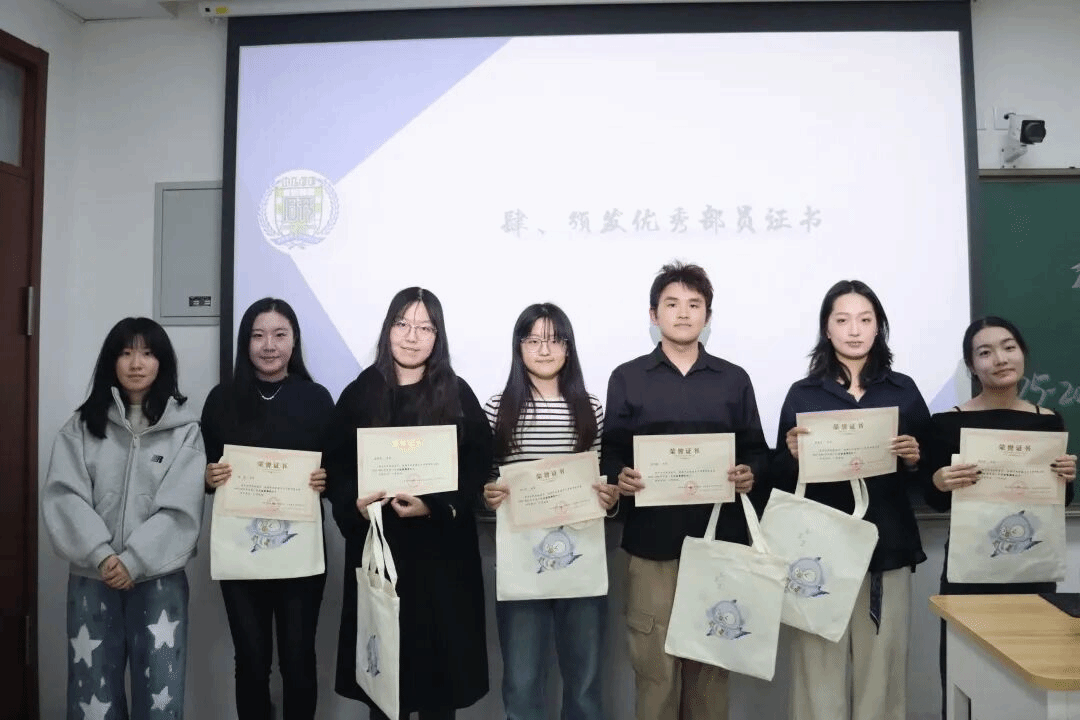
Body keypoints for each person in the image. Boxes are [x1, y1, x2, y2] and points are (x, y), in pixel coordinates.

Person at [600, 261, 769, 720]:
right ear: (653, 314)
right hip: (651, 546)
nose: (683, 313)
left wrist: (750, 473)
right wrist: (620, 476)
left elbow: (757, 450)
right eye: (671, 304)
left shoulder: (733, 379)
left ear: (707, 316)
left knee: (711, 669)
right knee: (655, 670)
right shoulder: (627, 377)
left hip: (718, 545)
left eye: (694, 305)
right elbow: (611, 452)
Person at [324, 287, 492, 719]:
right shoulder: (361, 392)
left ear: (438, 336)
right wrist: (354, 503)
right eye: (402, 324)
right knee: (385, 690)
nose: (412, 336)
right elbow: (335, 468)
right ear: (388, 330)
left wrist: (435, 505)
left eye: (424, 327)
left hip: (443, 563)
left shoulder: (457, 393)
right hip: (383, 556)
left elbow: (478, 467)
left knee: (440, 690)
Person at [773, 280, 929, 720]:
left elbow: (932, 474)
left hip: (887, 546)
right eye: (842, 320)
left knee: (882, 675)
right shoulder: (803, 393)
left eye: (865, 319)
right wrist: (790, 454)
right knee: (816, 672)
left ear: (879, 327)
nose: (854, 330)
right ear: (827, 329)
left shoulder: (902, 390)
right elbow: (777, 477)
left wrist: (915, 459)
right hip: (818, 552)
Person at [43, 317, 205, 720]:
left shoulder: (185, 431)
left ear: (161, 362)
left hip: (159, 580)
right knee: (92, 693)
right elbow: (65, 496)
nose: (136, 363)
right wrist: (102, 555)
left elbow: (182, 507)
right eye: (126, 352)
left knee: (162, 695)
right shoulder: (81, 427)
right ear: (111, 361)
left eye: (147, 353)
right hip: (93, 578)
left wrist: (134, 559)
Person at [923, 316, 1076, 718]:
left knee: (1033, 674)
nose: (1000, 359)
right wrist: (939, 480)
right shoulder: (946, 423)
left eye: (1009, 347)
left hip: (1032, 568)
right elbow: (934, 500)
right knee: (967, 675)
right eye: (985, 352)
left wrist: (1066, 477)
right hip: (970, 571)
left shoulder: (1048, 421)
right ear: (972, 366)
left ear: (1023, 353)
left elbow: (1059, 502)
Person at [482, 303, 619, 720]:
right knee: (522, 682)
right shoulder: (497, 408)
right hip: (521, 560)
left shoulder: (591, 408)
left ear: (568, 348)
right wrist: (487, 495)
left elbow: (601, 480)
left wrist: (609, 497)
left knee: (585, 683)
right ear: (519, 346)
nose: (544, 349)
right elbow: (486, 484)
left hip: (581, 558)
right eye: (534, 340)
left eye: (555, 340)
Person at [200, 298, 334, 720]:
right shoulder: (221, 400)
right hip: (241, 551)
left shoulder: (316, 399)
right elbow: (200, 470)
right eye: (258, 335)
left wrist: (326, 479)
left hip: (300, 552)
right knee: (251, 660)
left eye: (280, 335)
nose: (269, 345)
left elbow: (338, 469)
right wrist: (208, 476)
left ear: (294, 341)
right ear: (246, 342)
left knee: (298, 658)